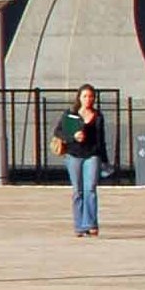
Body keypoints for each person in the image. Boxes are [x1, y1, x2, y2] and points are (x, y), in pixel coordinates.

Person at [52, 85, 109, 237]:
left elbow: (101, 140)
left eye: (91, 96)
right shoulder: (71, 114)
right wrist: (73, 137)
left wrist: (104, 160)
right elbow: (58, 131)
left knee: (90, 189)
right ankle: (79, 226)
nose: (88, 99)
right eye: (85, 96)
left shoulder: (98, 116)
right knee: (78, 191)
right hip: (74, 155)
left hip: (92, 155)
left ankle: (90, 224)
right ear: (79, 98)